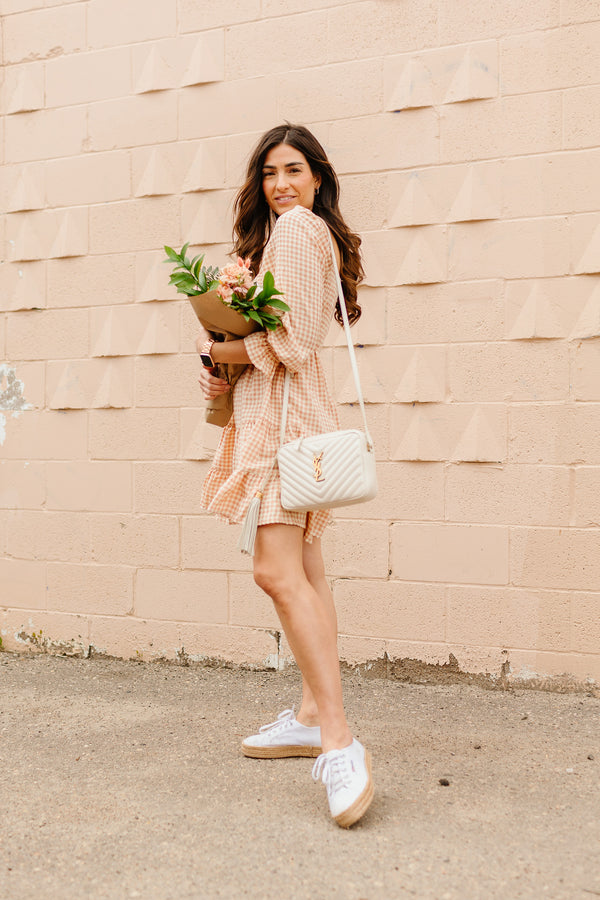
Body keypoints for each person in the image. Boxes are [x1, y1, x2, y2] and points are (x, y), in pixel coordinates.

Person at [196, 123, 373, 828]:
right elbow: (282, 336)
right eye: (269, 172)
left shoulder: (298, 231)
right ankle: (308, 713)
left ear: (318, 178)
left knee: (275, 572)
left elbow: (296, 342)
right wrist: (223, 359)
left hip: (288, 422)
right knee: (304, 568)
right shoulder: (281, 236)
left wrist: (224, 345)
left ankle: (339, 740)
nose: (281, 185)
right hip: (285, 413)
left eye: (294, 169)